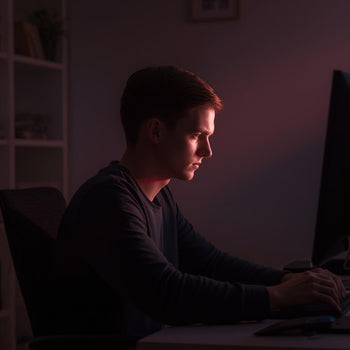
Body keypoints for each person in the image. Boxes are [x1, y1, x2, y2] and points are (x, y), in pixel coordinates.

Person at [57, 66, 345, 340]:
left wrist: (290, 282)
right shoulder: (108, 199)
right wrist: (279, 296)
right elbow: (166, 292)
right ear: (155, 131)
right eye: (197, 136)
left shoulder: (158, 197)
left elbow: (209, 262)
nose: (207, 151)